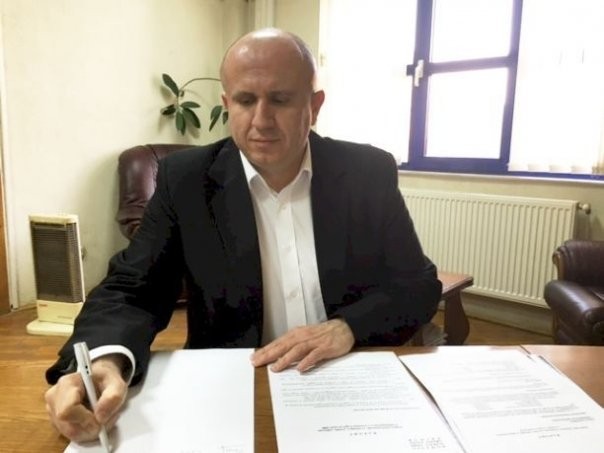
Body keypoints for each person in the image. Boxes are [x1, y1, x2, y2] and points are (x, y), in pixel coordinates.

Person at [44, 28, 442, 443]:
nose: (261, 121)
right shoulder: (186, 180)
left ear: (315, 105)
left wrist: (347, 327)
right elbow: (132, 289)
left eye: (281, 99)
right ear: (227, 104)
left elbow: (417, 285)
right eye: (246, 100)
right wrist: (105, 361)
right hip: (229, 391)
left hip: (345, 382)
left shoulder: (367, 173)